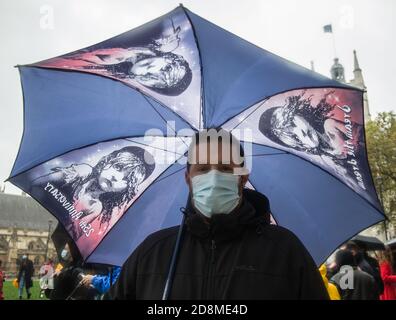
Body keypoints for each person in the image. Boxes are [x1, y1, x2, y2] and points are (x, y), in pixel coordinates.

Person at [108, 128, 329, 300]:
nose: (213, 177)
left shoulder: (284, 250)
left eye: (224, 168)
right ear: (188, 178)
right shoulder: (154, 251)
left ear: (242, 178)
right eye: (203, 169)